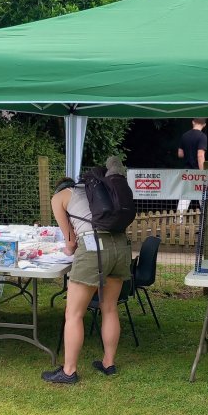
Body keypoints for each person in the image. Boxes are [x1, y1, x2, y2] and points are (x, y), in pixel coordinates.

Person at [42, 157, 133, 384]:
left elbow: (71, 241)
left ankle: (69, 371)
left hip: (93, 249)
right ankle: (108, 362)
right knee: (109, 308)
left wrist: (67, 249)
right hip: (120, 247)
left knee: (73, 314)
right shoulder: (98, 191)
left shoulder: (60, 197)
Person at [176, 118, 208, 220]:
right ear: (204, 124)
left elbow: (180, 154)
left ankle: (178, 220)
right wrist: (203, 173)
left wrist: (189, 154)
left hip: (187, 171)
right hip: (198, 171)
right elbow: (200, 156)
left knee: (184, 196)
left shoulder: (184, 135)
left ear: (193, 122)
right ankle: (207, 220)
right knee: (203, 197)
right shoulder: (202, 137)